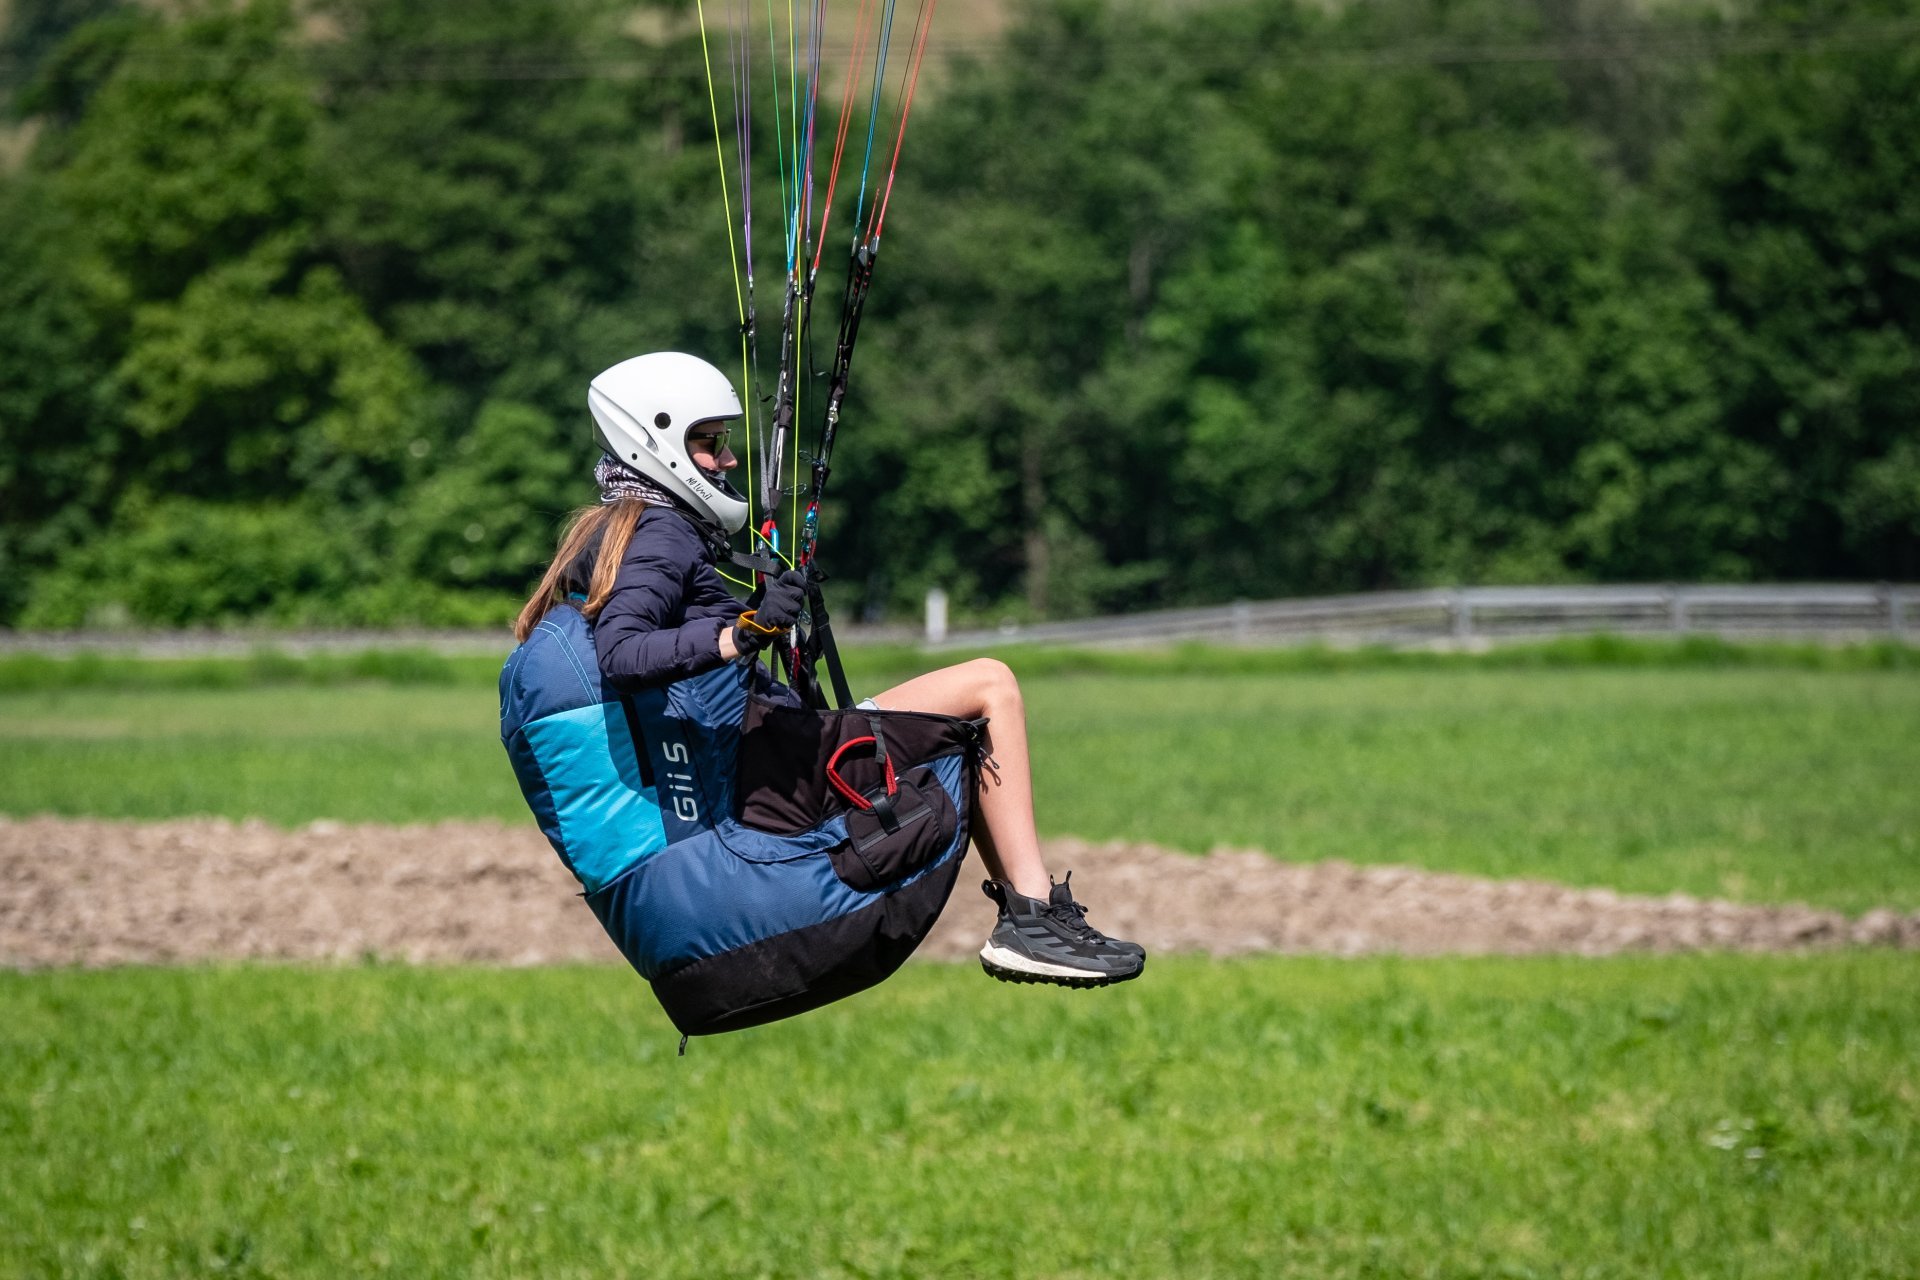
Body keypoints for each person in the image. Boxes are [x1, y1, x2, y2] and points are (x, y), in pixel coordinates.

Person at [513, 352, 1144, 988]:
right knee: (990, 686)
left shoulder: (620, 529)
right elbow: (623, 654)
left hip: (764, 759)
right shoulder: (660, 534)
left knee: (966, 705)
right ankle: (1033, 918)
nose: (727, 460)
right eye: (708, 444)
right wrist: (745, 631)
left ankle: (1029, 918)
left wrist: (764, 626)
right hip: (768, 776)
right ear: (657, 443)